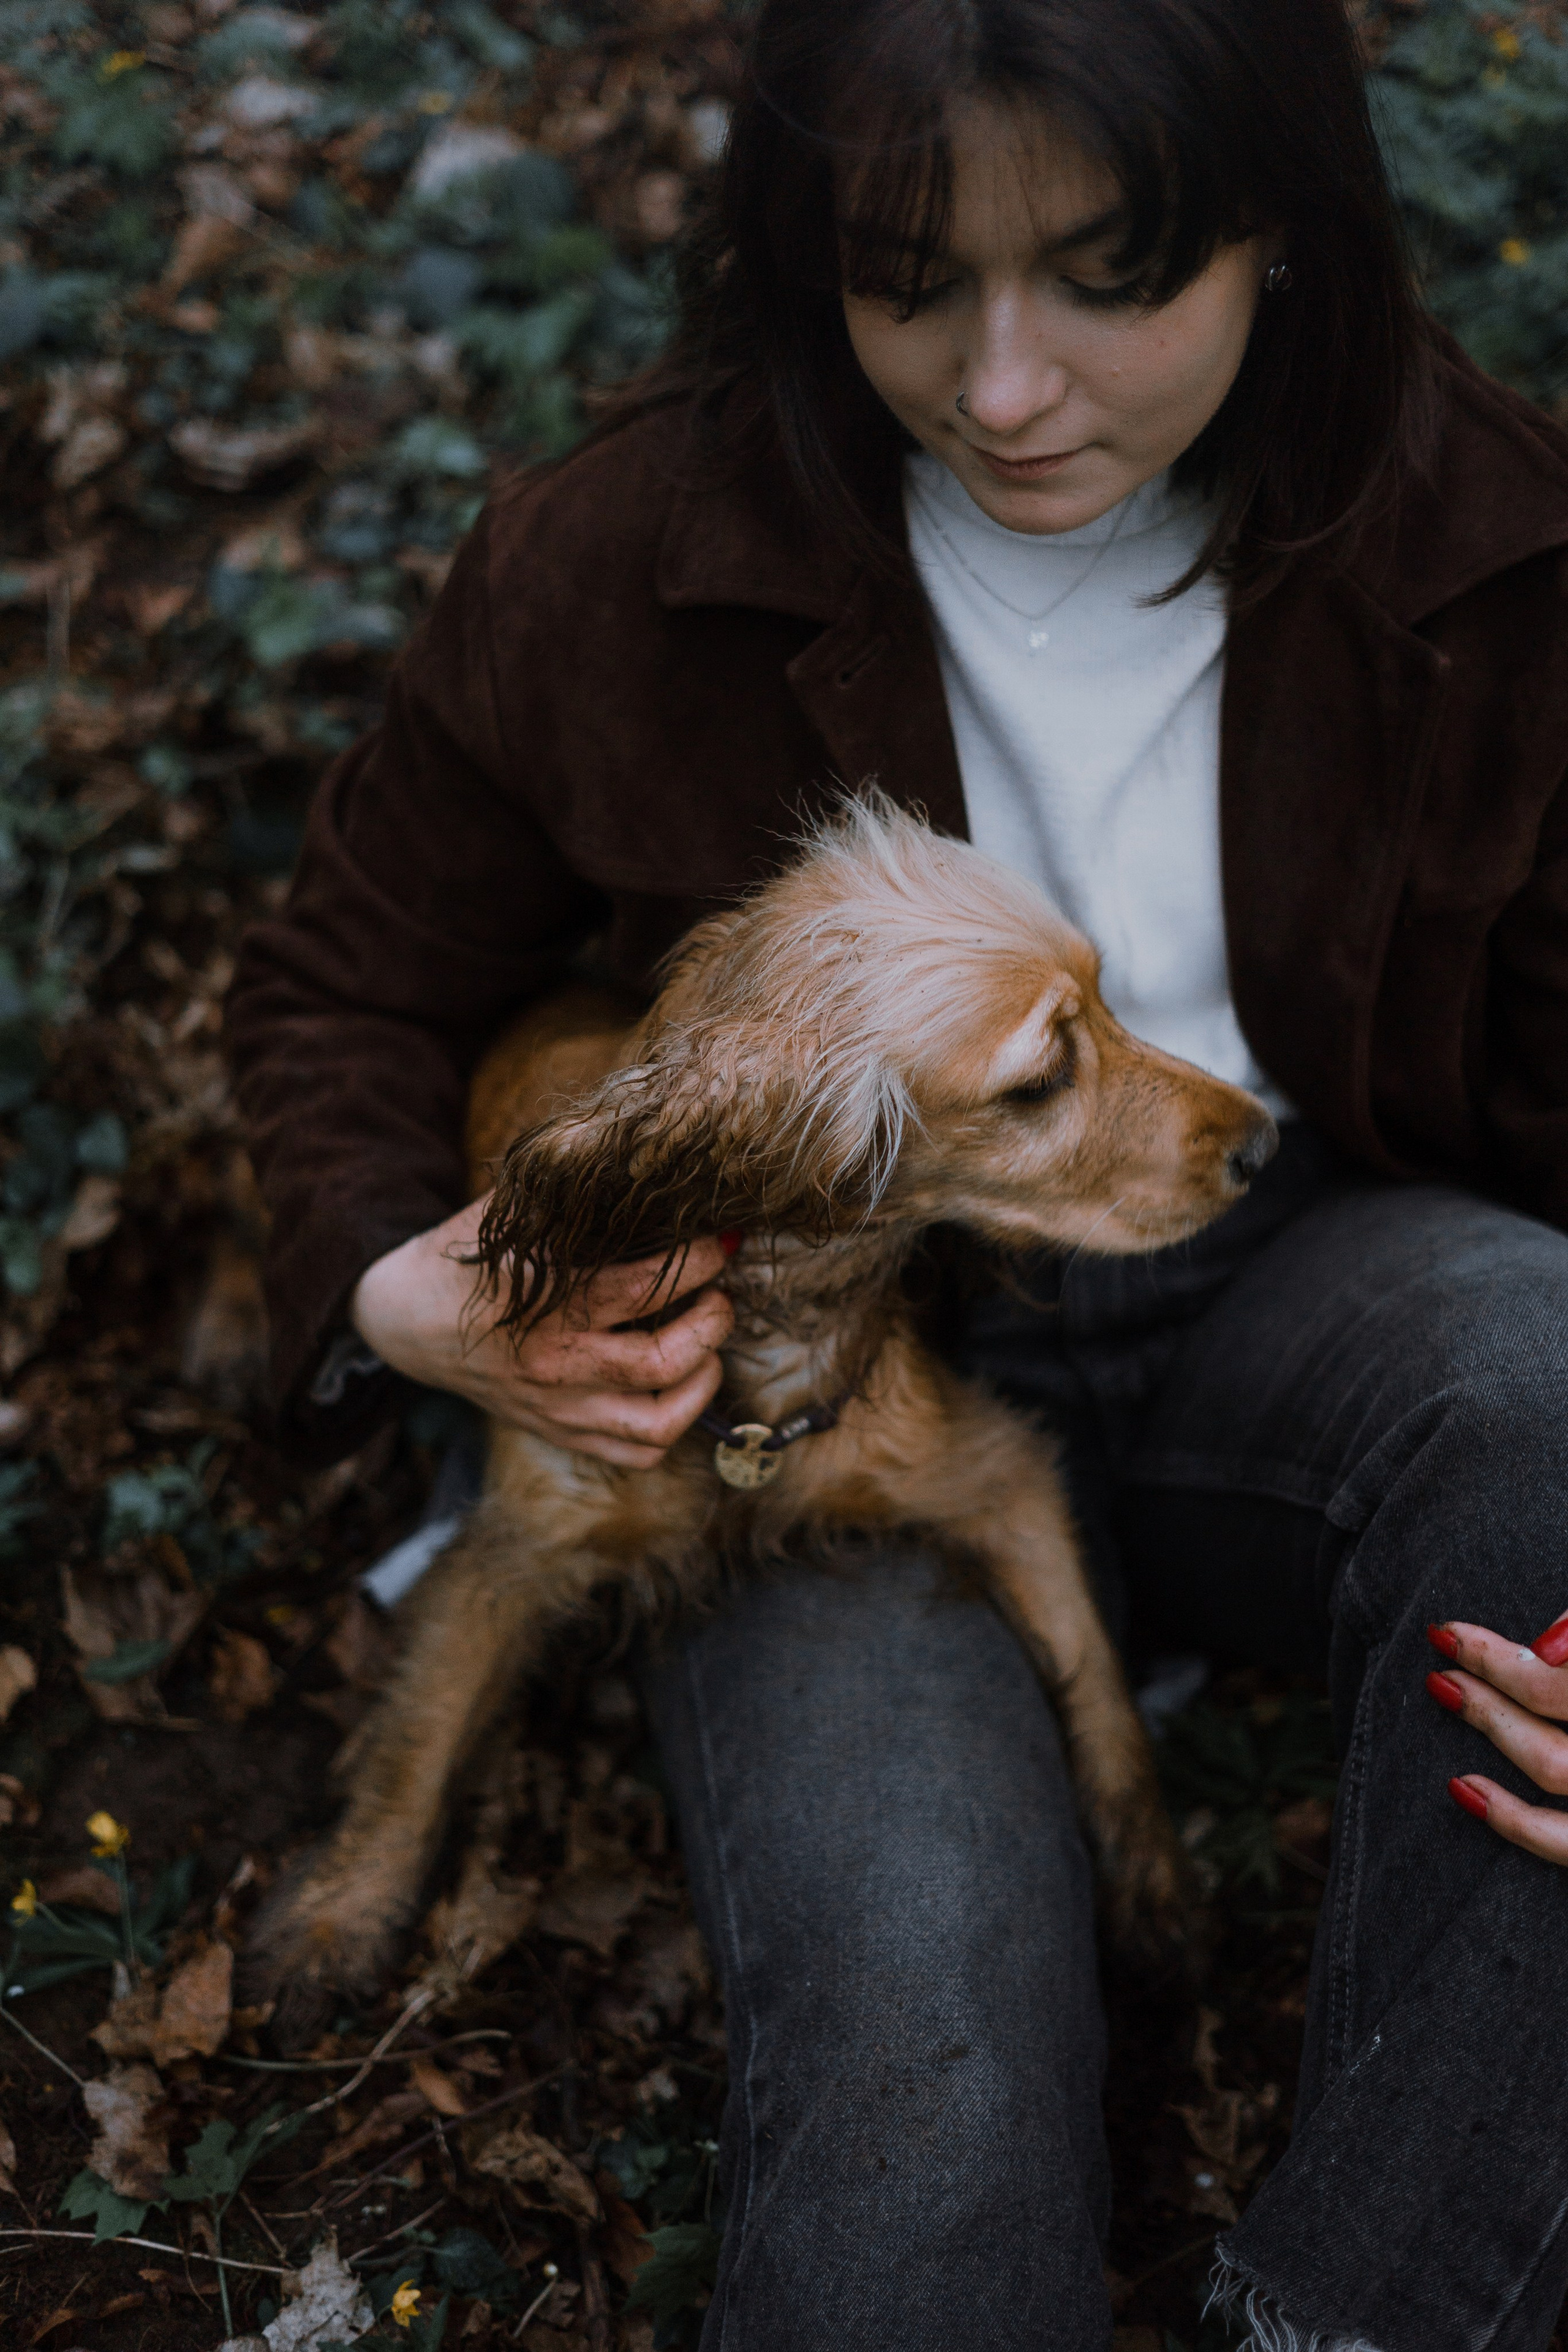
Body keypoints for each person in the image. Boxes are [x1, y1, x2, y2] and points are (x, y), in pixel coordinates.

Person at [225, 1, 1568, 2345]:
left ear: (1280, 227)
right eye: (908, 277)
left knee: (1553, 1420)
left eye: (1109, 272)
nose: (1006, 385)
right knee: (918, 2010)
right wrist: (407, 1296)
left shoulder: (1498, 550)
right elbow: (338, 997)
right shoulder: (620, 557)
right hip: (808, 1373)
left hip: (1314, 1271)